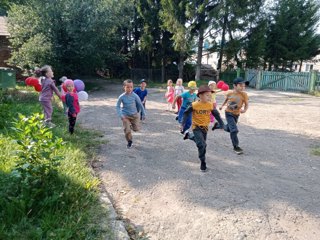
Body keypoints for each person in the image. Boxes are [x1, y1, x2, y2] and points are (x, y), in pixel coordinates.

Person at [181, 85, 216, 172]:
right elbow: (186, 113)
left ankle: (188, 135)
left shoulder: (209, 105)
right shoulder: (195, 105)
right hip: (196, 127)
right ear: (200, 96)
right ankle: (202, 162)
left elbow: (216, 114)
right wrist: (182, 124)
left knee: (202, 143)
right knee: (202, 145)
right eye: (207, 95)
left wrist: (221, 124)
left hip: (205, 128)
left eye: (210, 95)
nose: (210, 97)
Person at [219, 77, 249, 155]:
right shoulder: (229, 93)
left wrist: (245, 110)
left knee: (230, 128)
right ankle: (236, 146)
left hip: (236, 114)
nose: (243, 87)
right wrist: (222, 106)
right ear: (235, 86)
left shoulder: (244, 94)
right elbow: (226, 100)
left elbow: (246, 104)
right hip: (228, 113)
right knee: (234, 130)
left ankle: (219, 125)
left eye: (244, 86)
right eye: (241, 85)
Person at [116, 79, 146, 149]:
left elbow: (140, 104)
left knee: (136, 129)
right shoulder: (121, 97)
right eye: (128, 87)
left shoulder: (135, 95)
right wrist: (121, 115)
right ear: (124, 87)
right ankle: (129, 141)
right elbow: (117, 106)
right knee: (127, 130)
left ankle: (132, 126)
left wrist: (143, 114)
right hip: (125, 116)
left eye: (131, 87)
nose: (129, 89)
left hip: (135, 115)